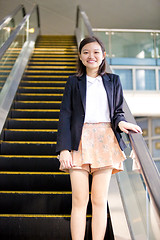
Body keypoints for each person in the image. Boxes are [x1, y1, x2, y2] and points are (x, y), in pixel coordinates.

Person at [56, 36, 142, 240]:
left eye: (96, 52)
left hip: (105, 140)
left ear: (104, 56)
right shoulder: (73, 82)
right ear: (80, 56)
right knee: (79, 199)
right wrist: (64, 149)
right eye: (86, 52)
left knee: (99, 200)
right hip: (78, 141)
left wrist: (122, 124)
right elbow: (65, 115)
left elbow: (117, 113)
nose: (91, 56)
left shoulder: (114, 81)